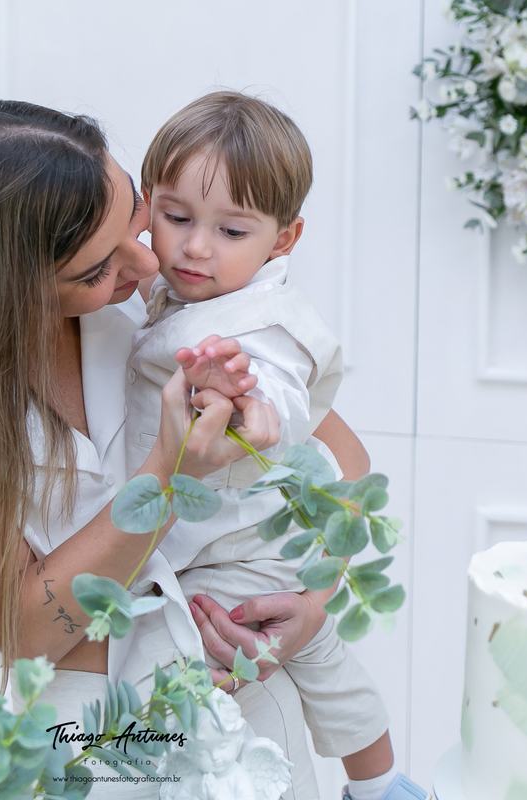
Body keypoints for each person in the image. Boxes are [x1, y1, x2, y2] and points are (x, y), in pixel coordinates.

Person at [0, 99, 341, 799]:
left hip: (237, 704)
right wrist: (169, 475)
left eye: (139, 218)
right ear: (8, 287)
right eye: (98, 268)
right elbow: (22, 628)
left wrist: (315, 598)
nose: (149, 261)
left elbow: (340, 466)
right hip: (70, 736)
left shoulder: (169, 296)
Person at [125, 91, 428, 800]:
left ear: (282, 240)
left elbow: (286, 389)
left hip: (237, 554)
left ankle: (376, 784)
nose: (196, 247)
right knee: (319, 656)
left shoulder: (265, 322)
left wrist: (251, 409)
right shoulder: (167, 296)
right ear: (146, 207)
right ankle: (385, 785)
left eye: (232, 230)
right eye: (175, 218)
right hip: (221, 545)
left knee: (191, 674)